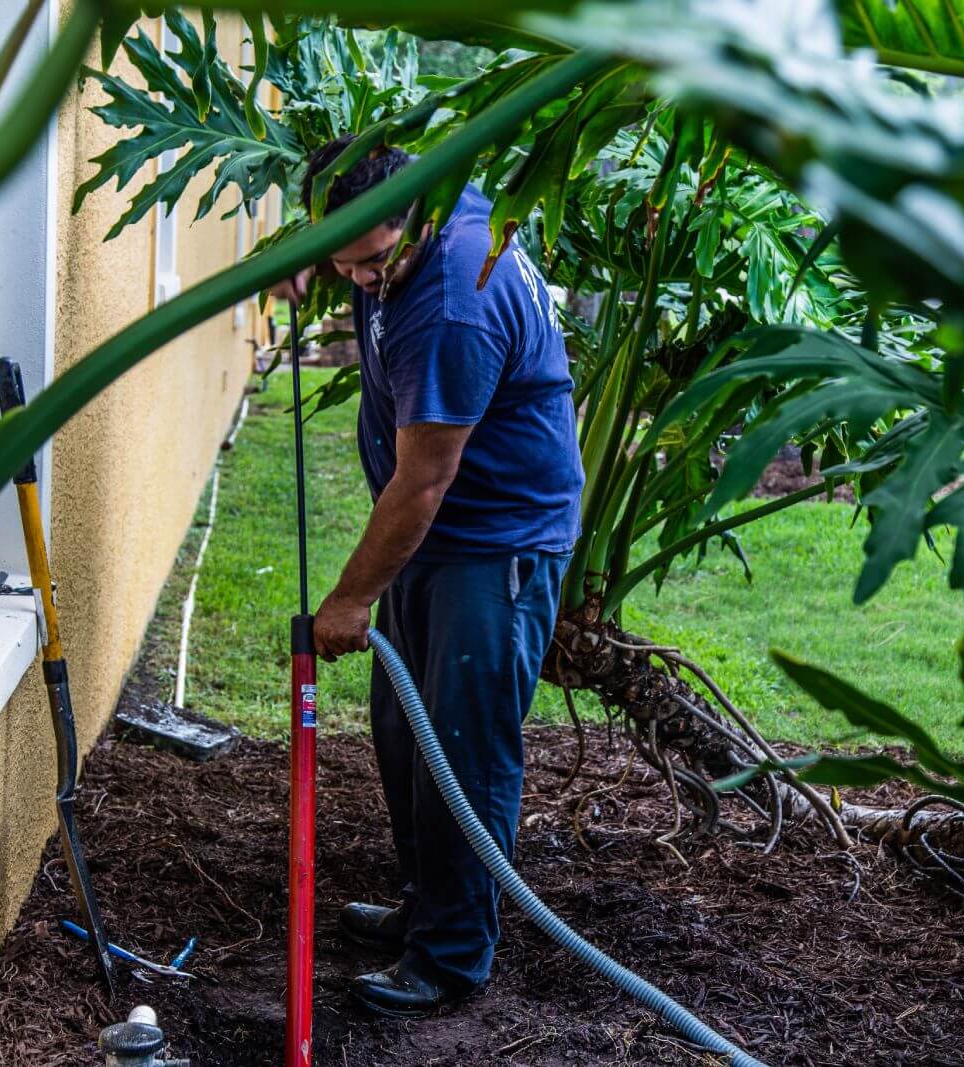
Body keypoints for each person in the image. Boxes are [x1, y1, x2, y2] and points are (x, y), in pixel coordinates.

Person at [271, 136, 583, 1017]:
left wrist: (349, 597)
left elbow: (424, 481)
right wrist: (306, 271)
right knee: (405, 728)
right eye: (338, 263)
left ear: (416, 218)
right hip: (442, 537)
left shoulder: (451, 302)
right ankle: (427, 905)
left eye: (371, 261)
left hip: (495, 540)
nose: (359, 280)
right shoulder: (428, 213)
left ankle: (450, 956)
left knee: (463, 746)